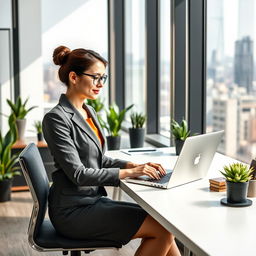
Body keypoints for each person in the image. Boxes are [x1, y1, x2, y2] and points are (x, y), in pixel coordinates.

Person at [42, 45, 181, 256]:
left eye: (103, 78)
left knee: (164, 222)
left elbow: (97, 158)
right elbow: (78, 174)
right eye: (96, 77)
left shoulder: (88, 110)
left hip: (92, 200)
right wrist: (129, 173)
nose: (100, 84)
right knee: (162, 230)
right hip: (72, 211)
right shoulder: (56, 119)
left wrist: (131, 165)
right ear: (74, 77)